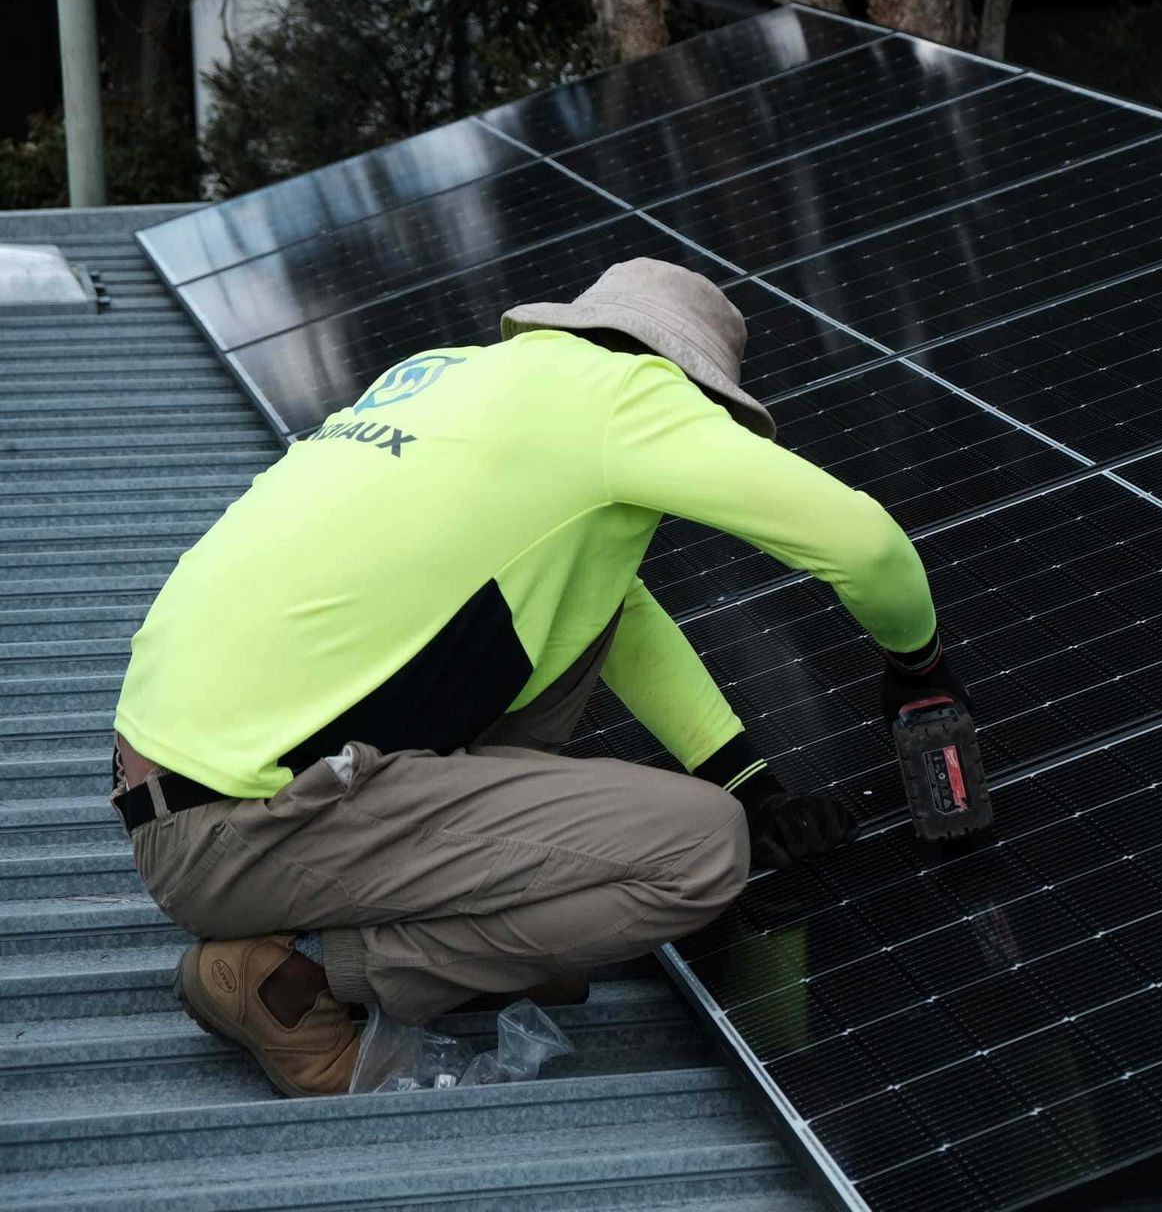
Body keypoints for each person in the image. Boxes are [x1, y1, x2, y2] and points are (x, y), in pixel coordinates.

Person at [111, 258, 967, 1097]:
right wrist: (917, 669)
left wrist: (745, 776)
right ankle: (295, 980)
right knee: (701, 850)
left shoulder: (447, 376)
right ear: (690, 388)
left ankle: (461, 927)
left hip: (179, 797)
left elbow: (612, 614)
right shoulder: (631, 396)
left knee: (569, 606)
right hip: (244, 831)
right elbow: (867, 545)